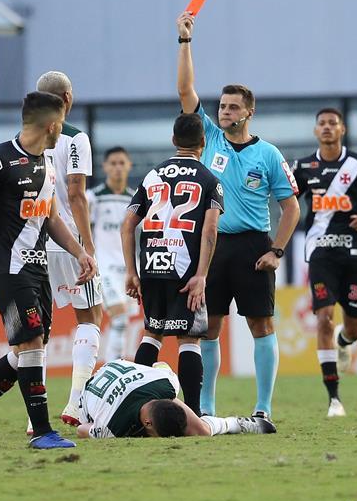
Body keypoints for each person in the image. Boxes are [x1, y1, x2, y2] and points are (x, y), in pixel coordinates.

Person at [0, 91, 98, 449]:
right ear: (51, 124)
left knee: (26, 351)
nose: (62, 130)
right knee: (31, 341)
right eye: (61, 122)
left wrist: (80, 252)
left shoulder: (46, 163)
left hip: (38, 268)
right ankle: (43, 430)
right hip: (7, 268)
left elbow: (52, 217)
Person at [177, 11, 301, 422]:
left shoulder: (268, 154)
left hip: (252, 246)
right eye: (222, 106)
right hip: (212, 246)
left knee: (260, 326)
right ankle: (208, 408)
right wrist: (185, 41)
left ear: (249, 113)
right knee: (208, 328)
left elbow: (291, 207)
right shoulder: (209, 135)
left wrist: (277, 251)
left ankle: (263, 408)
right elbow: (185, 89)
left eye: (232, 107)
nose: (225, 111)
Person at [291, 108, 357, 416]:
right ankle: (334, 398)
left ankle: (344, 340)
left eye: (332, 123)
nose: (326, 128)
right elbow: (286, 200)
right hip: (320, 253)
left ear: (342, 129)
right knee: (323, 318)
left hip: (353, 255)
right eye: (321, 124)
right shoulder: (303, 166)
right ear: (315, 131)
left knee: (354, 328)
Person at [121, 114, 224, 415]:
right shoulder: (209, 180)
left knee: (152, 333)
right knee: (188, 340)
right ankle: (192, 413)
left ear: (173, 141)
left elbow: (128, 225)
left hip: (152, 265)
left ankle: (133, 407)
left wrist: (131, 271)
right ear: (203, 143)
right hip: (184, 268)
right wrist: (202, 275)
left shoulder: (152, 176)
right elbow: (210, 230)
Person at [35, 71, 103, 428]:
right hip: (68, 241)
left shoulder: (25, 138)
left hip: (33, 242)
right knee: (91, 317)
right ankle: (76, 403)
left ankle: (36, 416)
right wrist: (87, 247)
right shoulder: (75, 138)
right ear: (67, 98)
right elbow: (76, 192)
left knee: (38, 331)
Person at [76, 360, 275, 438]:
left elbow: (160, 364)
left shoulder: (168, 383)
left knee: (201, 432)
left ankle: (236, 423)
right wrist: (94, 425)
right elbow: (81, 428)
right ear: (147, 423)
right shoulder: (110, 427)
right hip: (90, 392)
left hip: (121, 371)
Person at [87, 147, 139, 361]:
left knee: (124, 321)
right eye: (113, 163)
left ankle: (113, 366)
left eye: (122, 163)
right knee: (119, 319)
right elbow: (83, 231)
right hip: (104, 269)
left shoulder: (135, 199)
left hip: (128, 270)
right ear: (105, 166)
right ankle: (112, 369)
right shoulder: (93, 198)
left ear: (129, 166)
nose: (118, 167)